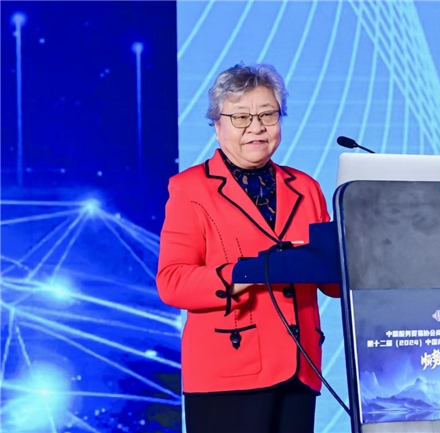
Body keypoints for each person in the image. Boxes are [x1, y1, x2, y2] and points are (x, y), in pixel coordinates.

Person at [156, 63, 340, 433]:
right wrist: (246, 273)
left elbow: (332, 285)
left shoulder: (306, 188)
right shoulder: (190, 189)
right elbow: (172, 282)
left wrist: (359, 248)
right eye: (241, 117)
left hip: (300, 368)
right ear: (217, 125)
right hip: (228, 372)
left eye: (267, 115)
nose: (256, 127)